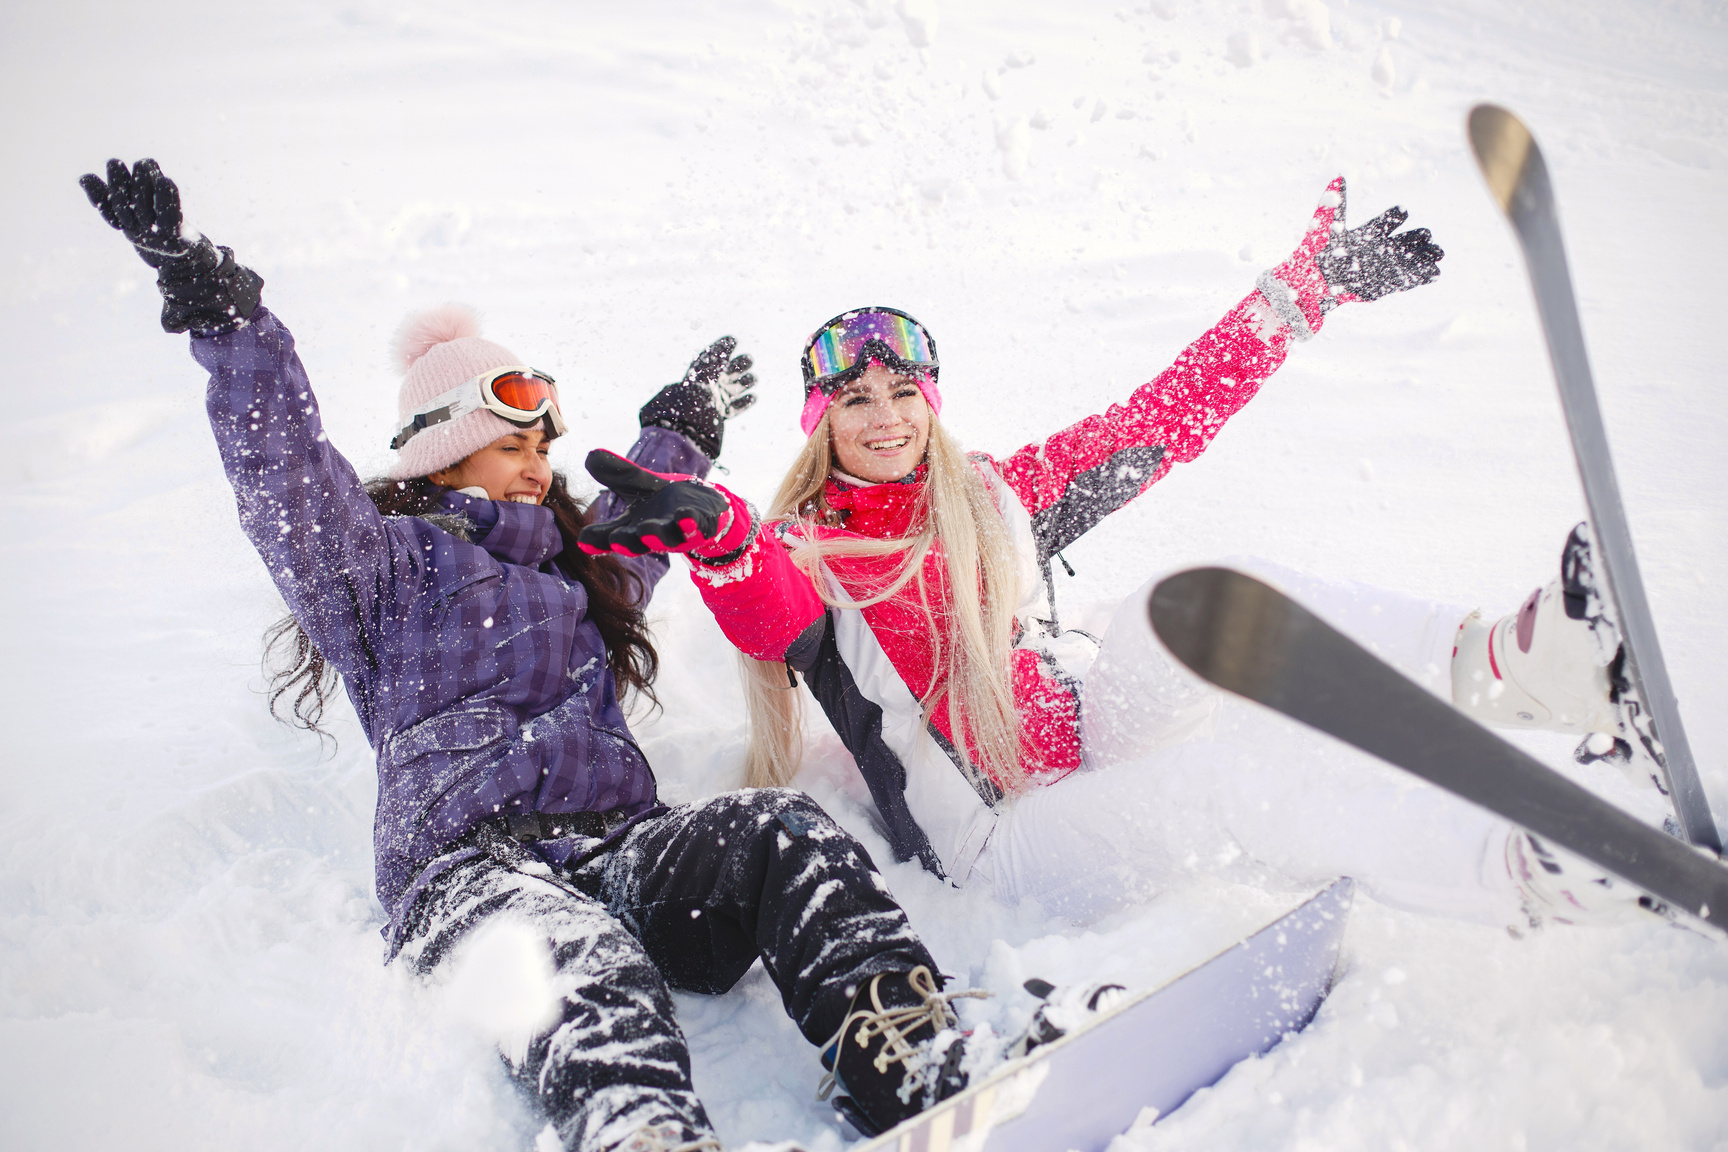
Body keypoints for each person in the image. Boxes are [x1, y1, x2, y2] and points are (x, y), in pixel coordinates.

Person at [80, 158, 981, 1152]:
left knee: (783, 834)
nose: (539, 460)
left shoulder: (575, 569)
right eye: (513, 439)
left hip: (620, 848)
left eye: (544, 442)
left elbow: (642, 514)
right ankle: (641, 1133)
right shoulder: (376, 568)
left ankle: (911, 1056)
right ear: (443, 450)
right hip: (467, 875)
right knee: (584, 970)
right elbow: (284, 475)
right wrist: (222, 312)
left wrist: (684, 420)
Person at [578, 177, 1665, 932]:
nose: (884, 417)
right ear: (821, 420)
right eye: (855, 399)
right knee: (1243, 780)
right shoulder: (801, 554)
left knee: (1189, 603)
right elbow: (761, 607)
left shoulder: (992, 497)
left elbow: (1160, 421)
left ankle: (1516, 665)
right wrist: (717, 535)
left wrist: (1299, 298)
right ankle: (1528, 872)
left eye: (903, 391)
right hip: (999, 844)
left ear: (930, 401)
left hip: (1086, 740)